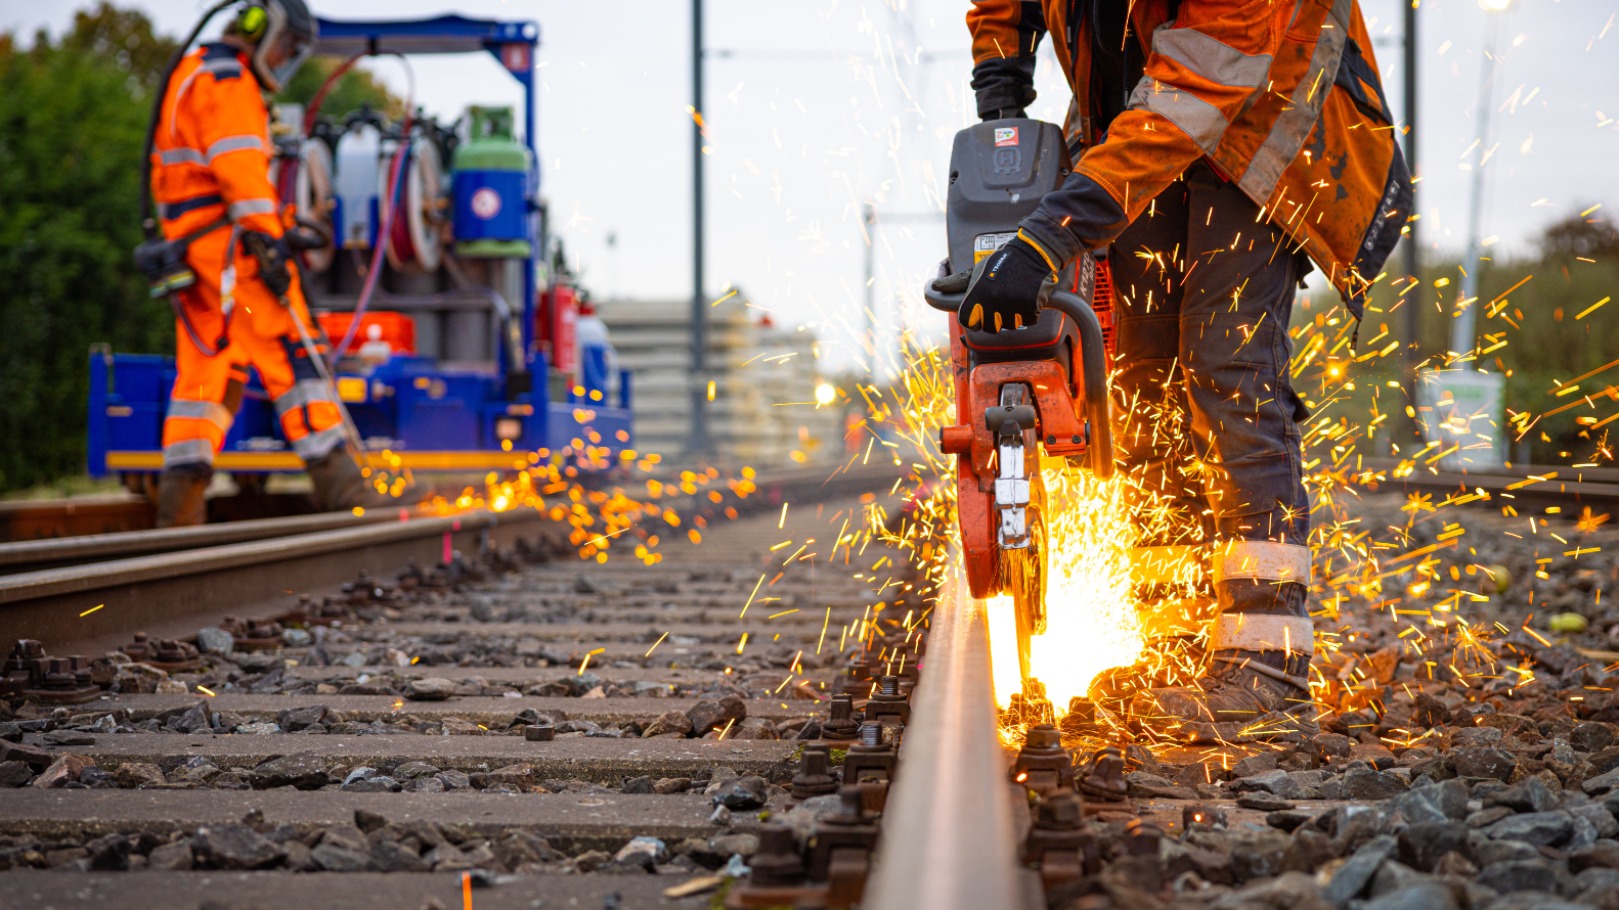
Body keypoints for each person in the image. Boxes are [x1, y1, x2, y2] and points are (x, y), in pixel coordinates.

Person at [950, 0, 1411, 741]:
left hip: (1261, 122)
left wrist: (1051, 233)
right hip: (1138, 110)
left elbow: (1200, 88)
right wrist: (999, 69)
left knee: (1226, 369)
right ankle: (1174, 644)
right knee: (1143, 383)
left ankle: (1265, 665)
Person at [148, 0, 388, 526]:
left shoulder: (190, 74)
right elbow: (241, 177)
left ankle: (179, 509)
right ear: (261, 31)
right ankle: (347, 486)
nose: (284, 60)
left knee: (207, 373)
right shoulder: (229, 83)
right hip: (233, 251)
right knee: (292, 350)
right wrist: (270, 244)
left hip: (191, 250)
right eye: (286, 48)